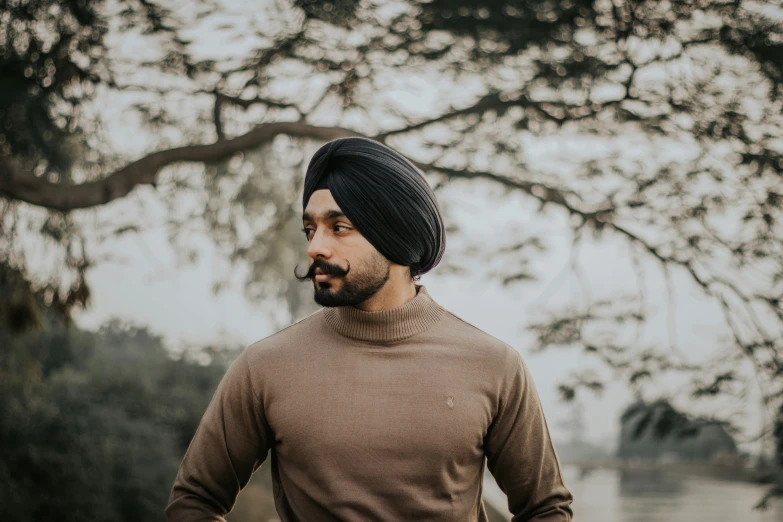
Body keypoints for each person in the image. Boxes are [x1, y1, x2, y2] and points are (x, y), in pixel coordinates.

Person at [165, 137, 573, 522]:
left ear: (394, 234)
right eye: (311, 229)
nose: (315, 248)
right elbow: (195, 500)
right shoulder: (266, 366)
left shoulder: (494, 366)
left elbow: (545, 508)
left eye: (338, 228)